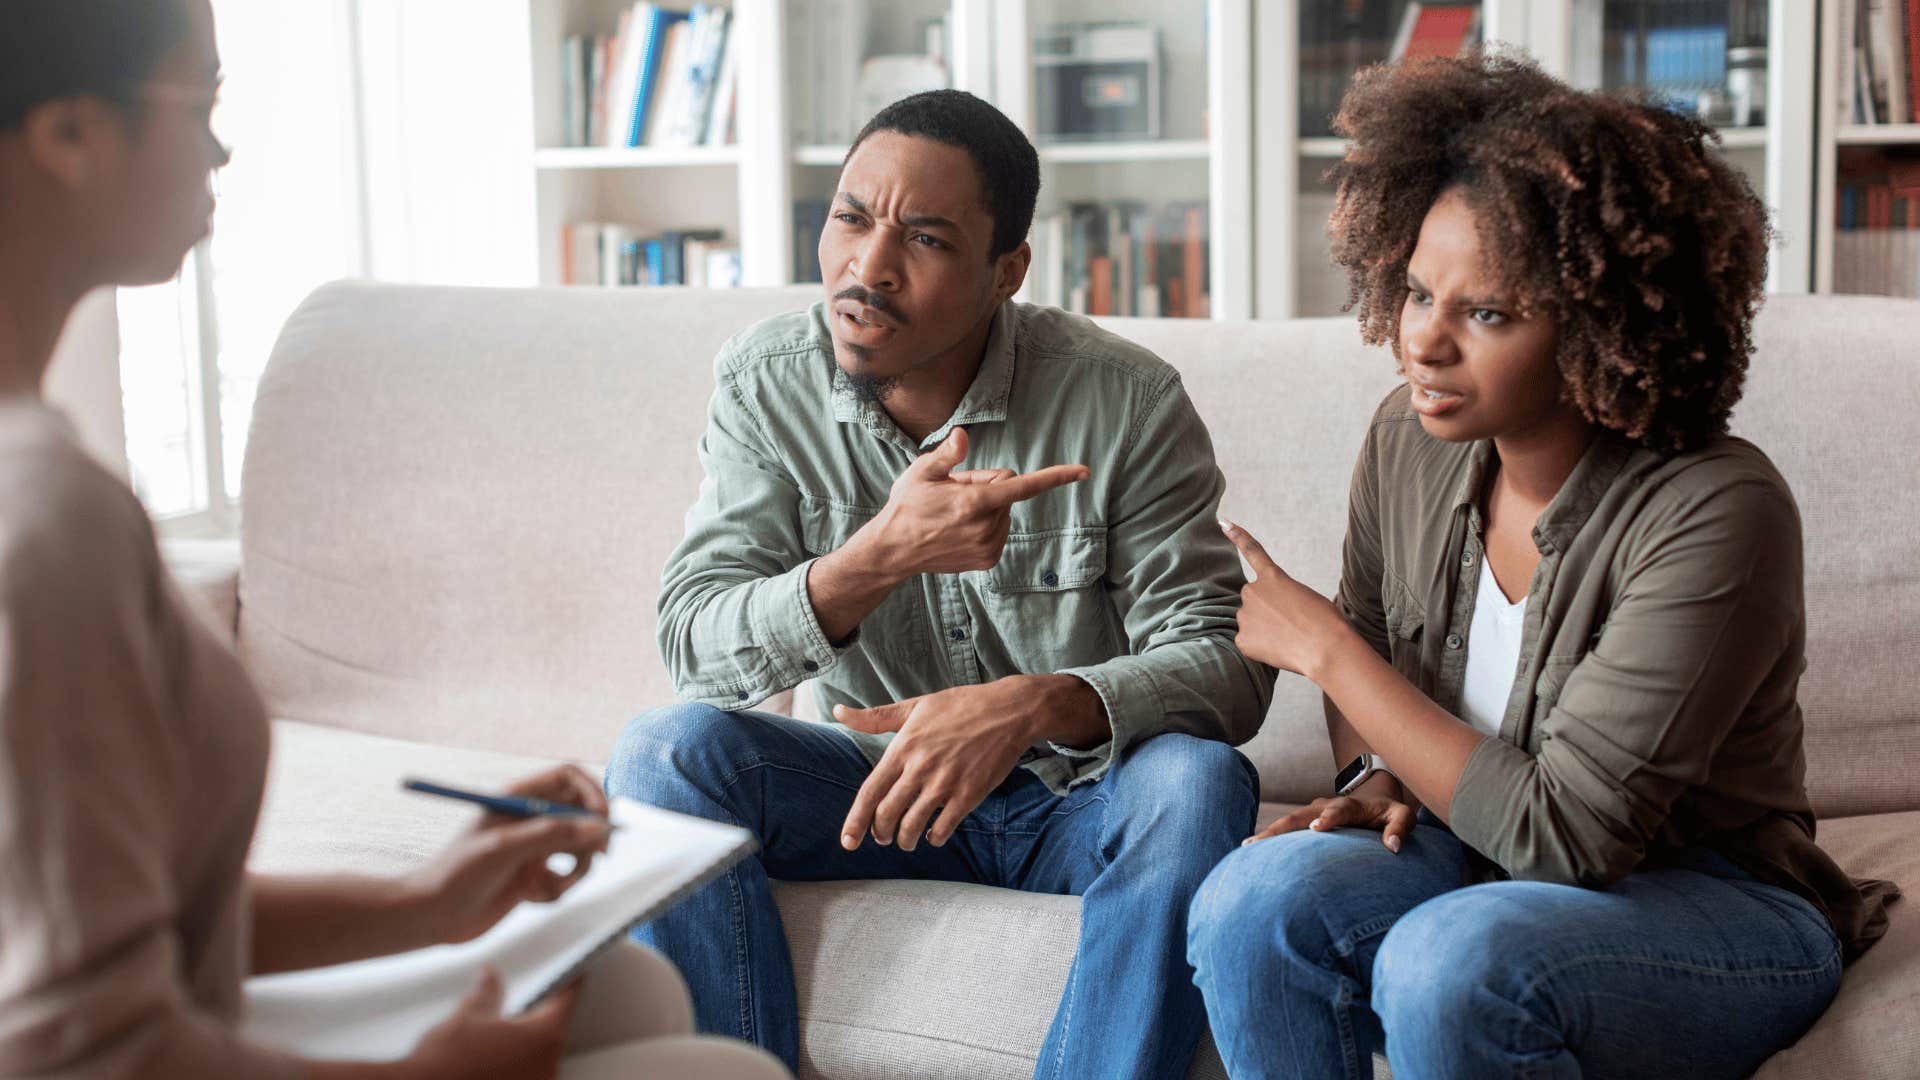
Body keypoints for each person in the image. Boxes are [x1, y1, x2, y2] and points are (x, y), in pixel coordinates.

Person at [0, 3, 787, 1078]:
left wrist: (424, 903)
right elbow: (80, 1046)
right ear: (70, 135)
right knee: (725, 1071)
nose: (224, 147)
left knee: (625, 984)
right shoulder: (45, 519)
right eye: (205, 103)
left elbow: (116, 916)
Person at [1184, 53, 1901, 1080]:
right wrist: (1372, 773)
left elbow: (1568, 836)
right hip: (1464, 842)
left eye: (1486, 314)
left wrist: (1327, 655)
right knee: (1250, 901)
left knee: (1453, 964)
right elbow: (1381, 629)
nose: (1422, 340)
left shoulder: (1715, 512)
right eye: (1420, 291)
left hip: (1712, 898)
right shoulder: (1407, 439)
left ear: (1603, 328)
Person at [607, 89, 1274, 1079]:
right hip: (874, 793)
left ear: (1008, 271)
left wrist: (1038, 703)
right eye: (849, 218)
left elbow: (1229, 662)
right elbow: (694, 645)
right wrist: (879, 554)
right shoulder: (765, 380)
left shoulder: (1124, 401)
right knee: (666, 751)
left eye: (922, 238)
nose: (866, 268)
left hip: (1072, 801)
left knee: (1198, 779)